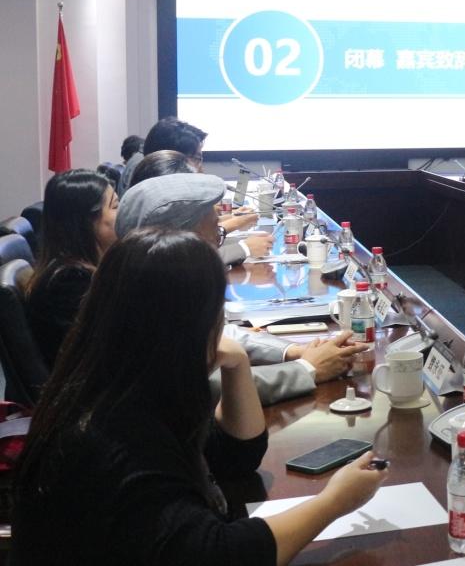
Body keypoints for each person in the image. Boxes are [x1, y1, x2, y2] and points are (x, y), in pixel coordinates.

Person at [12, 229, 387, 564]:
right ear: (183, 326)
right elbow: (216, 555)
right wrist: (333, 502)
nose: (219, 321)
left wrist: (237, 363)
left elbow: (236, 456)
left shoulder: (120, 382)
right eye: (215, 311)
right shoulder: (116, 437)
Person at [116, 173, 368, 404]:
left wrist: (292, 351)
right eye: (216, 233)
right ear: (179, 242)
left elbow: (215, 337)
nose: (218, 244)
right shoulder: (151, 302)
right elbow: (204, 388)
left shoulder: (143, 280)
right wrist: (307, 369)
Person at [23, 169, 118, 369]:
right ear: (86, 222)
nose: (124, 213)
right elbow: (105, 351)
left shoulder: (76, 269)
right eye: (115, 206)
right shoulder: (69, 281)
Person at [128, 149, 270, 264]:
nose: (201, 167)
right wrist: (244, 248)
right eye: (197, 158)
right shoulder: (160, 257)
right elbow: (188, 263)